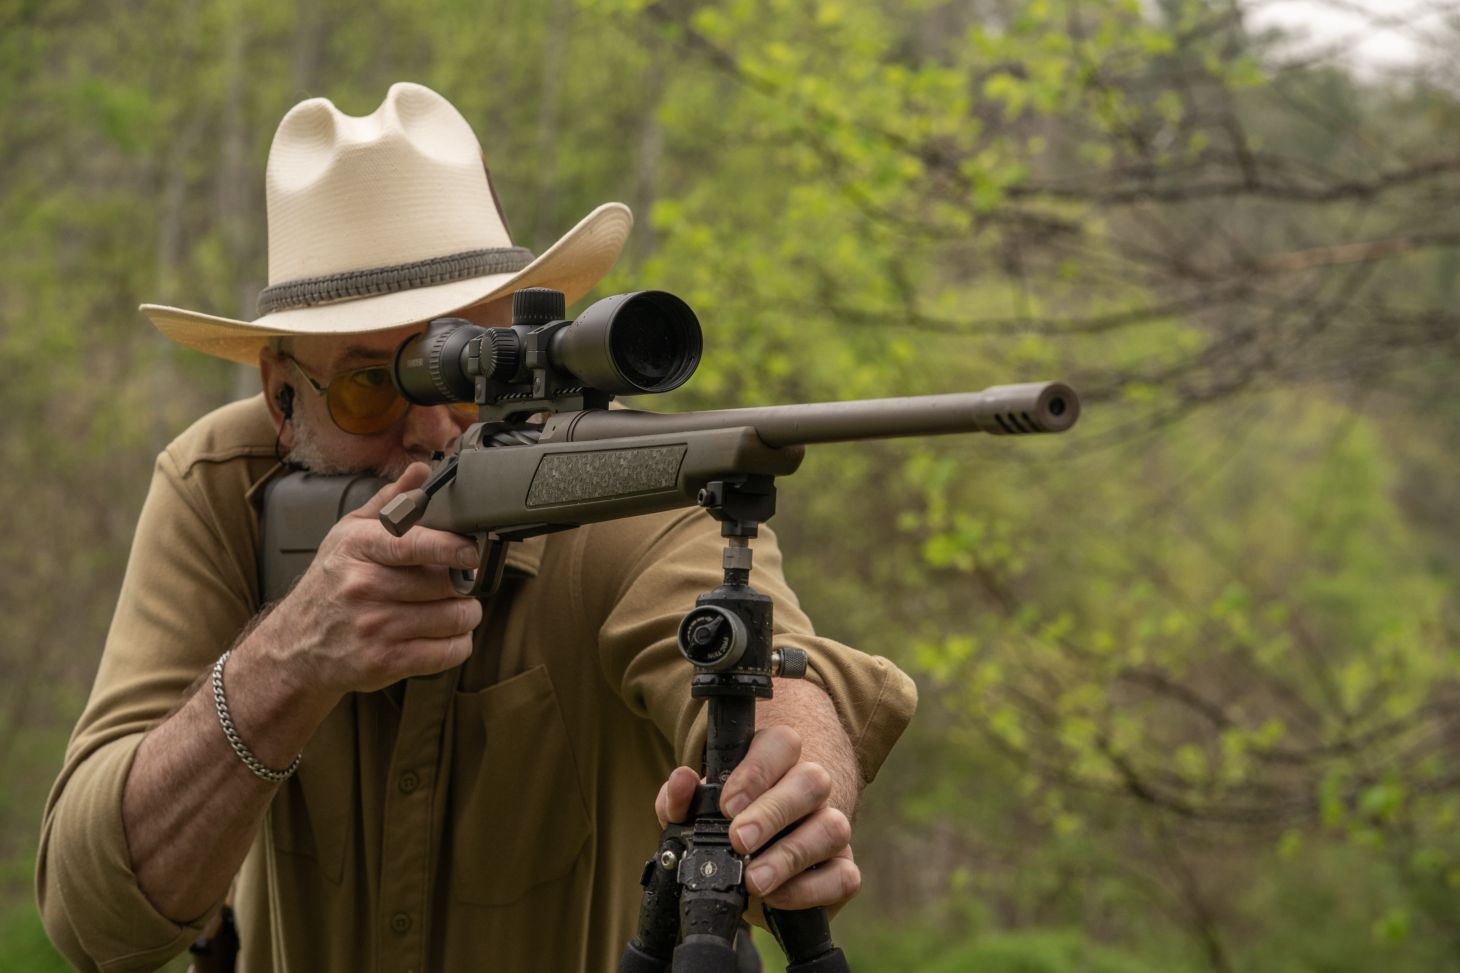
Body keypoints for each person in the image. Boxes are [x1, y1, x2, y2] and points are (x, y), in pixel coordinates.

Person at [36, 82, 917, 973]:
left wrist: (793, 783)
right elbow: (94, 920)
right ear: (281, 395)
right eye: (372, 386)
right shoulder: (223, 487)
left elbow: (776, 668)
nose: (431, 429)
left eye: (470, 375)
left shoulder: (618, 480)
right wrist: (285, 666)